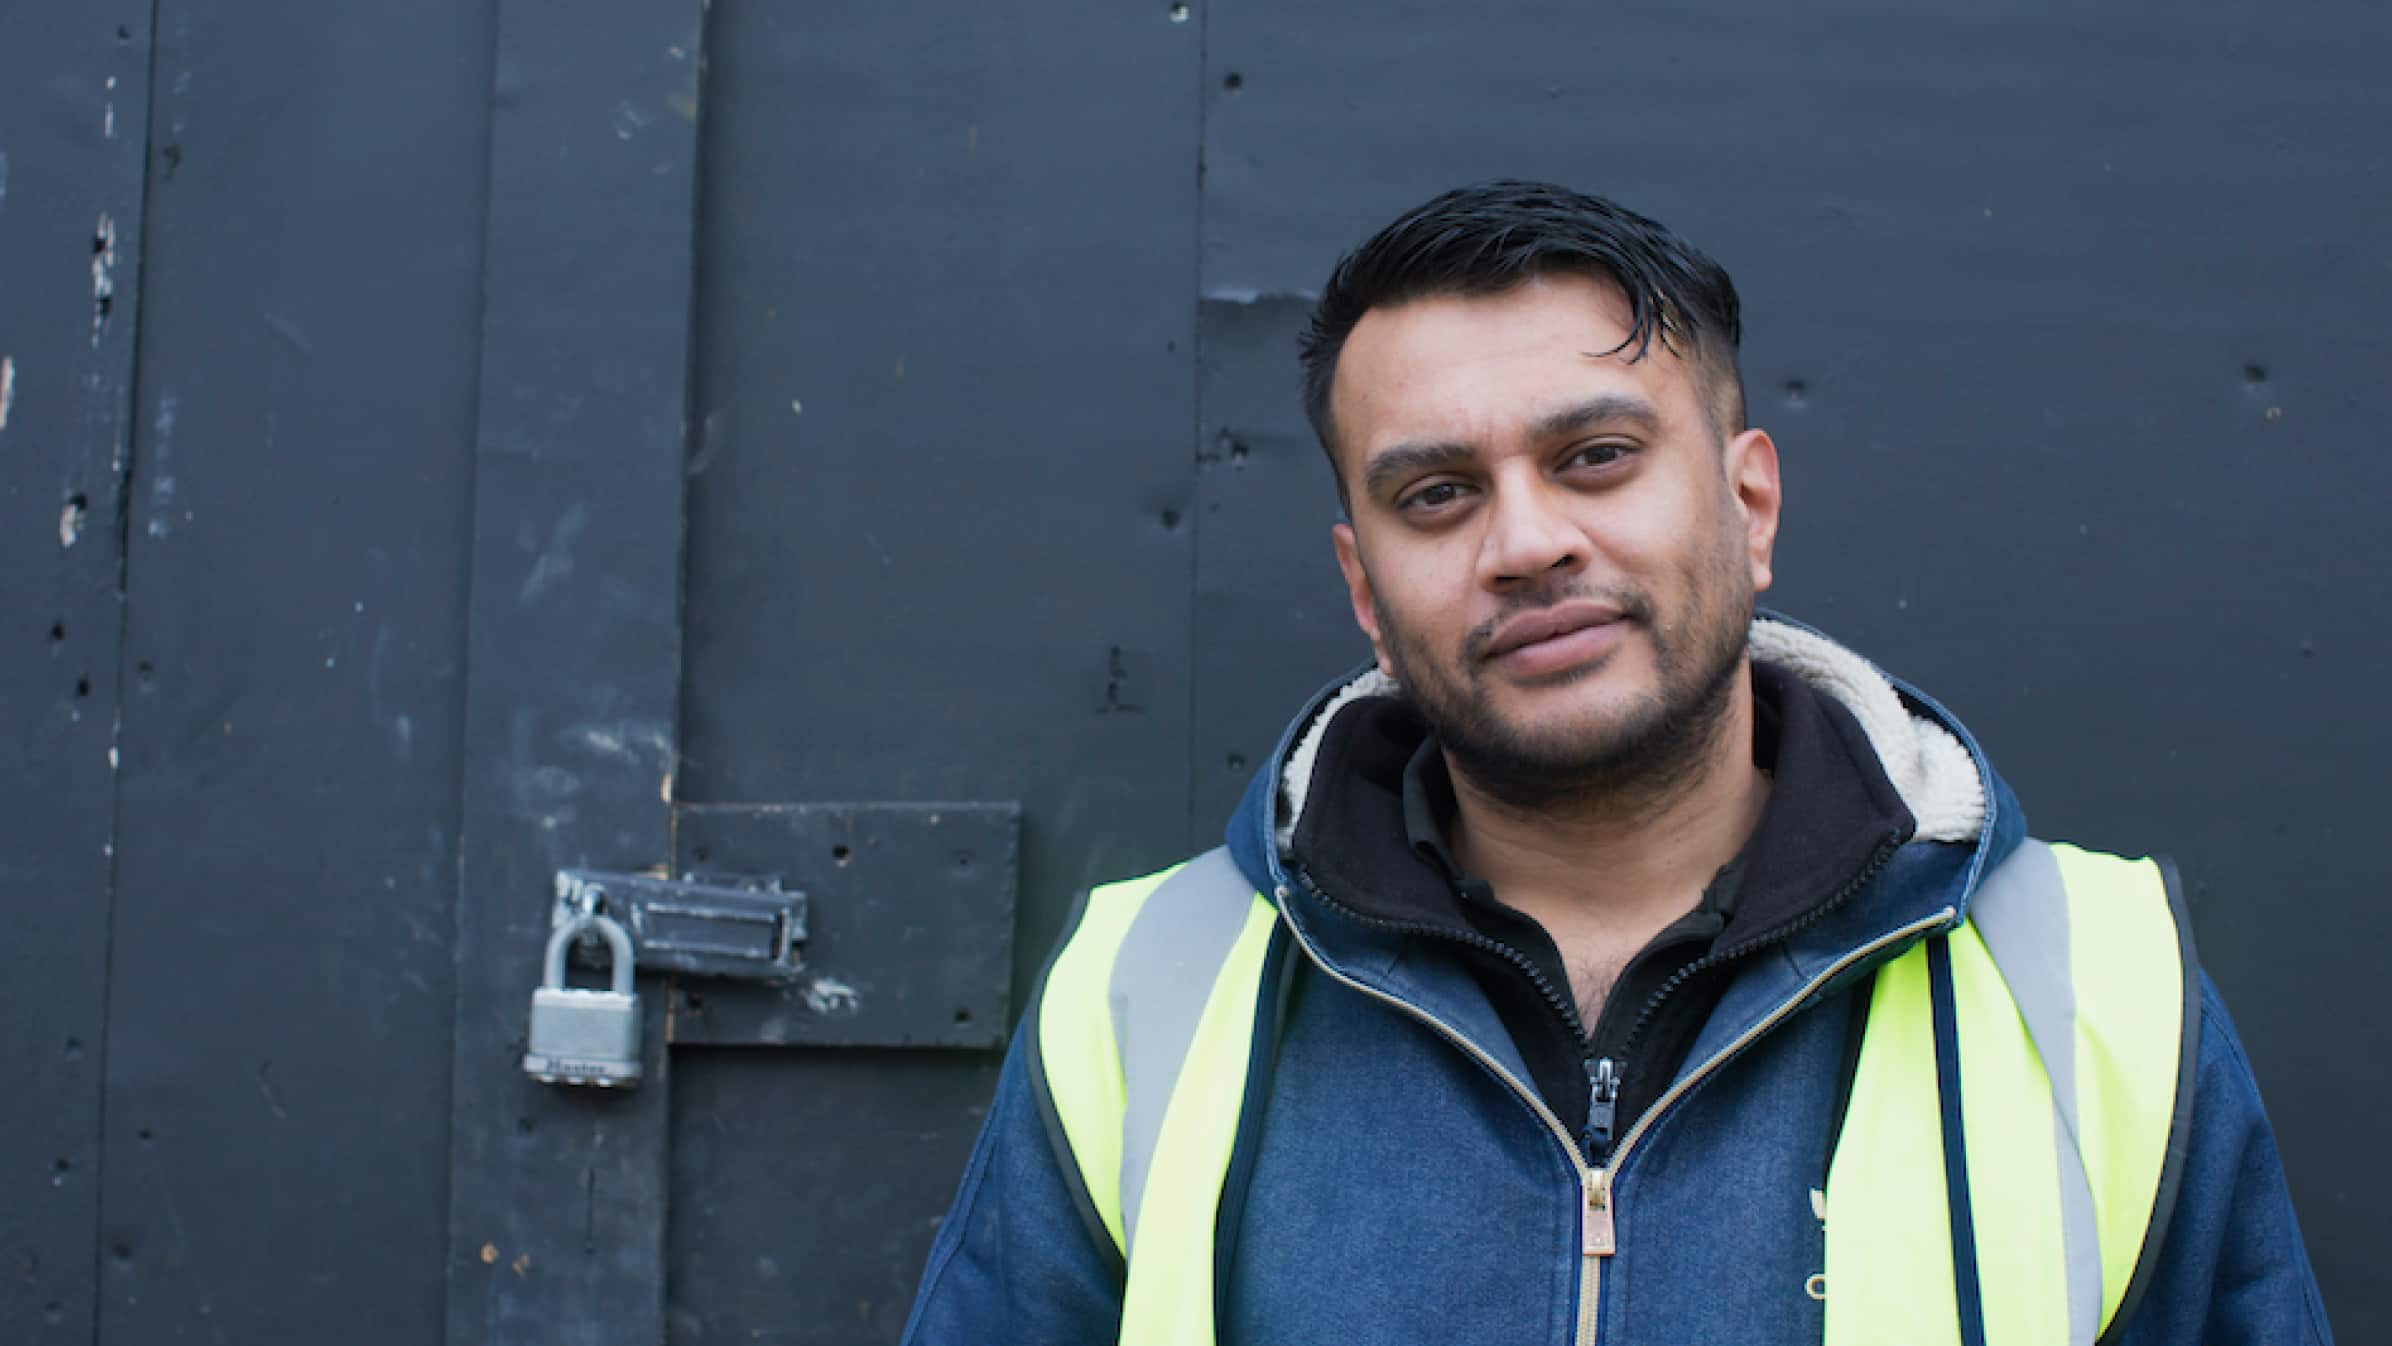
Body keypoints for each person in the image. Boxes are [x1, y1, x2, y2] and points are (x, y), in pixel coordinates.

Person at [899, 181, 2331, 1345]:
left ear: (1750, 503)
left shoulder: (2092, 988)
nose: (1523, 541)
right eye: (1438, 492)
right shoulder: (1144, 997)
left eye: (1593, 456)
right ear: (1362, 587)